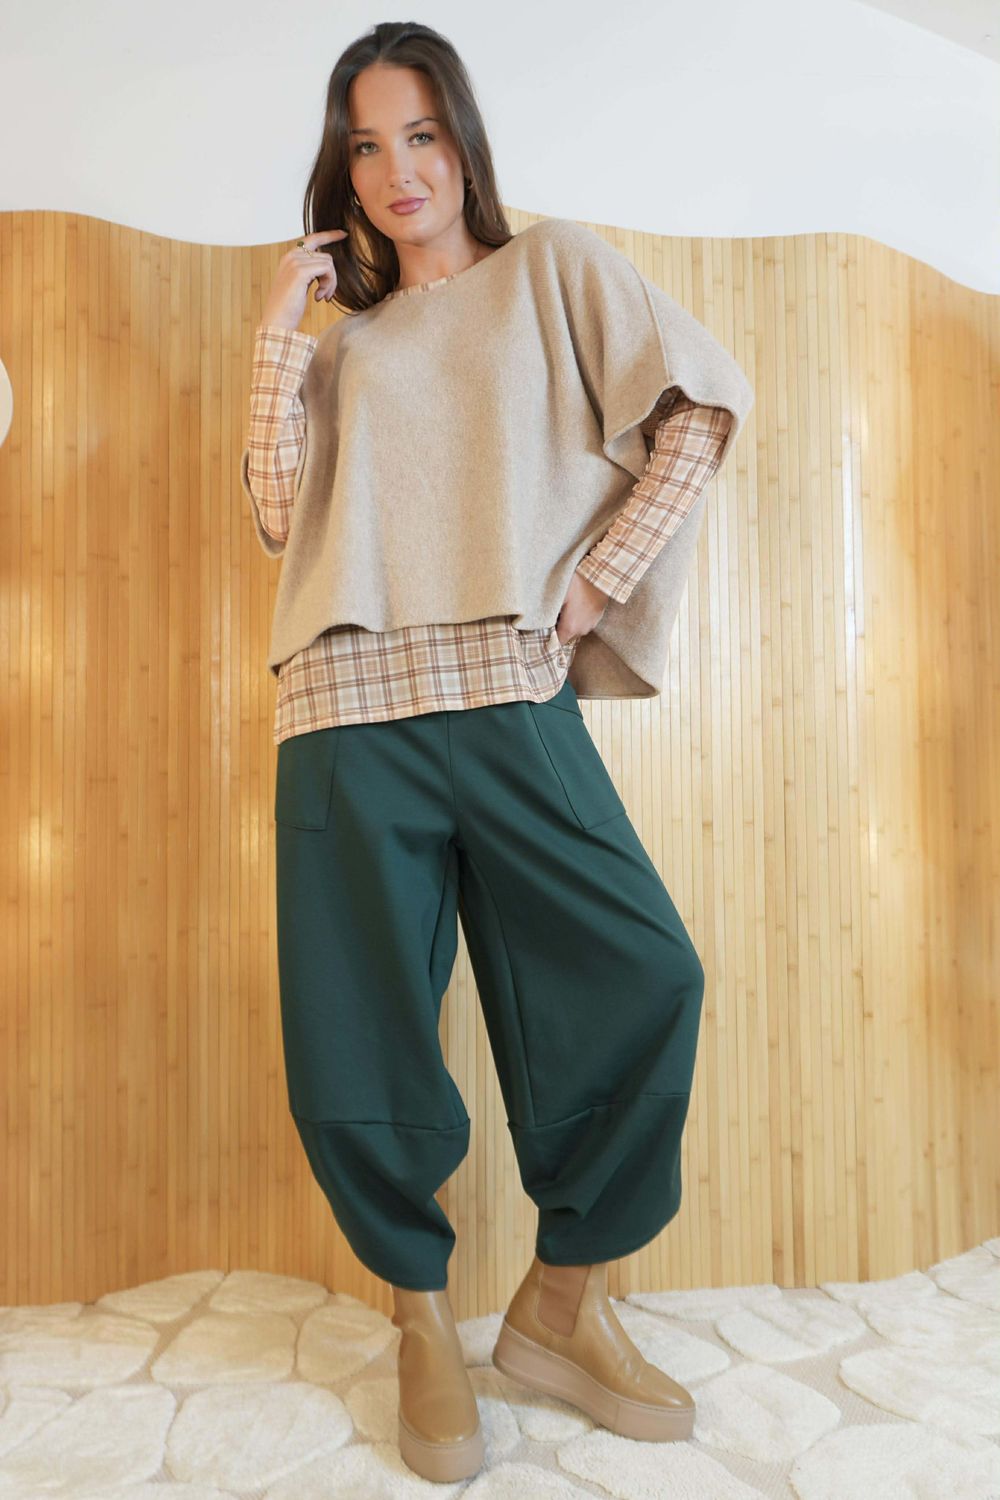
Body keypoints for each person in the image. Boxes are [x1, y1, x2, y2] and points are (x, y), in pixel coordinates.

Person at [240, 20, 753, 1485]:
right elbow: (277, 513)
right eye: (365, 145)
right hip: (344, 709)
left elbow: (698, 410)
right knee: (359, 1034)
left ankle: (558, 1309)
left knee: (646, 970)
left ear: (462, 140)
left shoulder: (555, 270)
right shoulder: (341, 352)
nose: (396, 169)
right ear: (343, 170)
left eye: (419, 134)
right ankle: (419, 1320)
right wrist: (278, 335)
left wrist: (593, 583)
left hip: (506, 690)